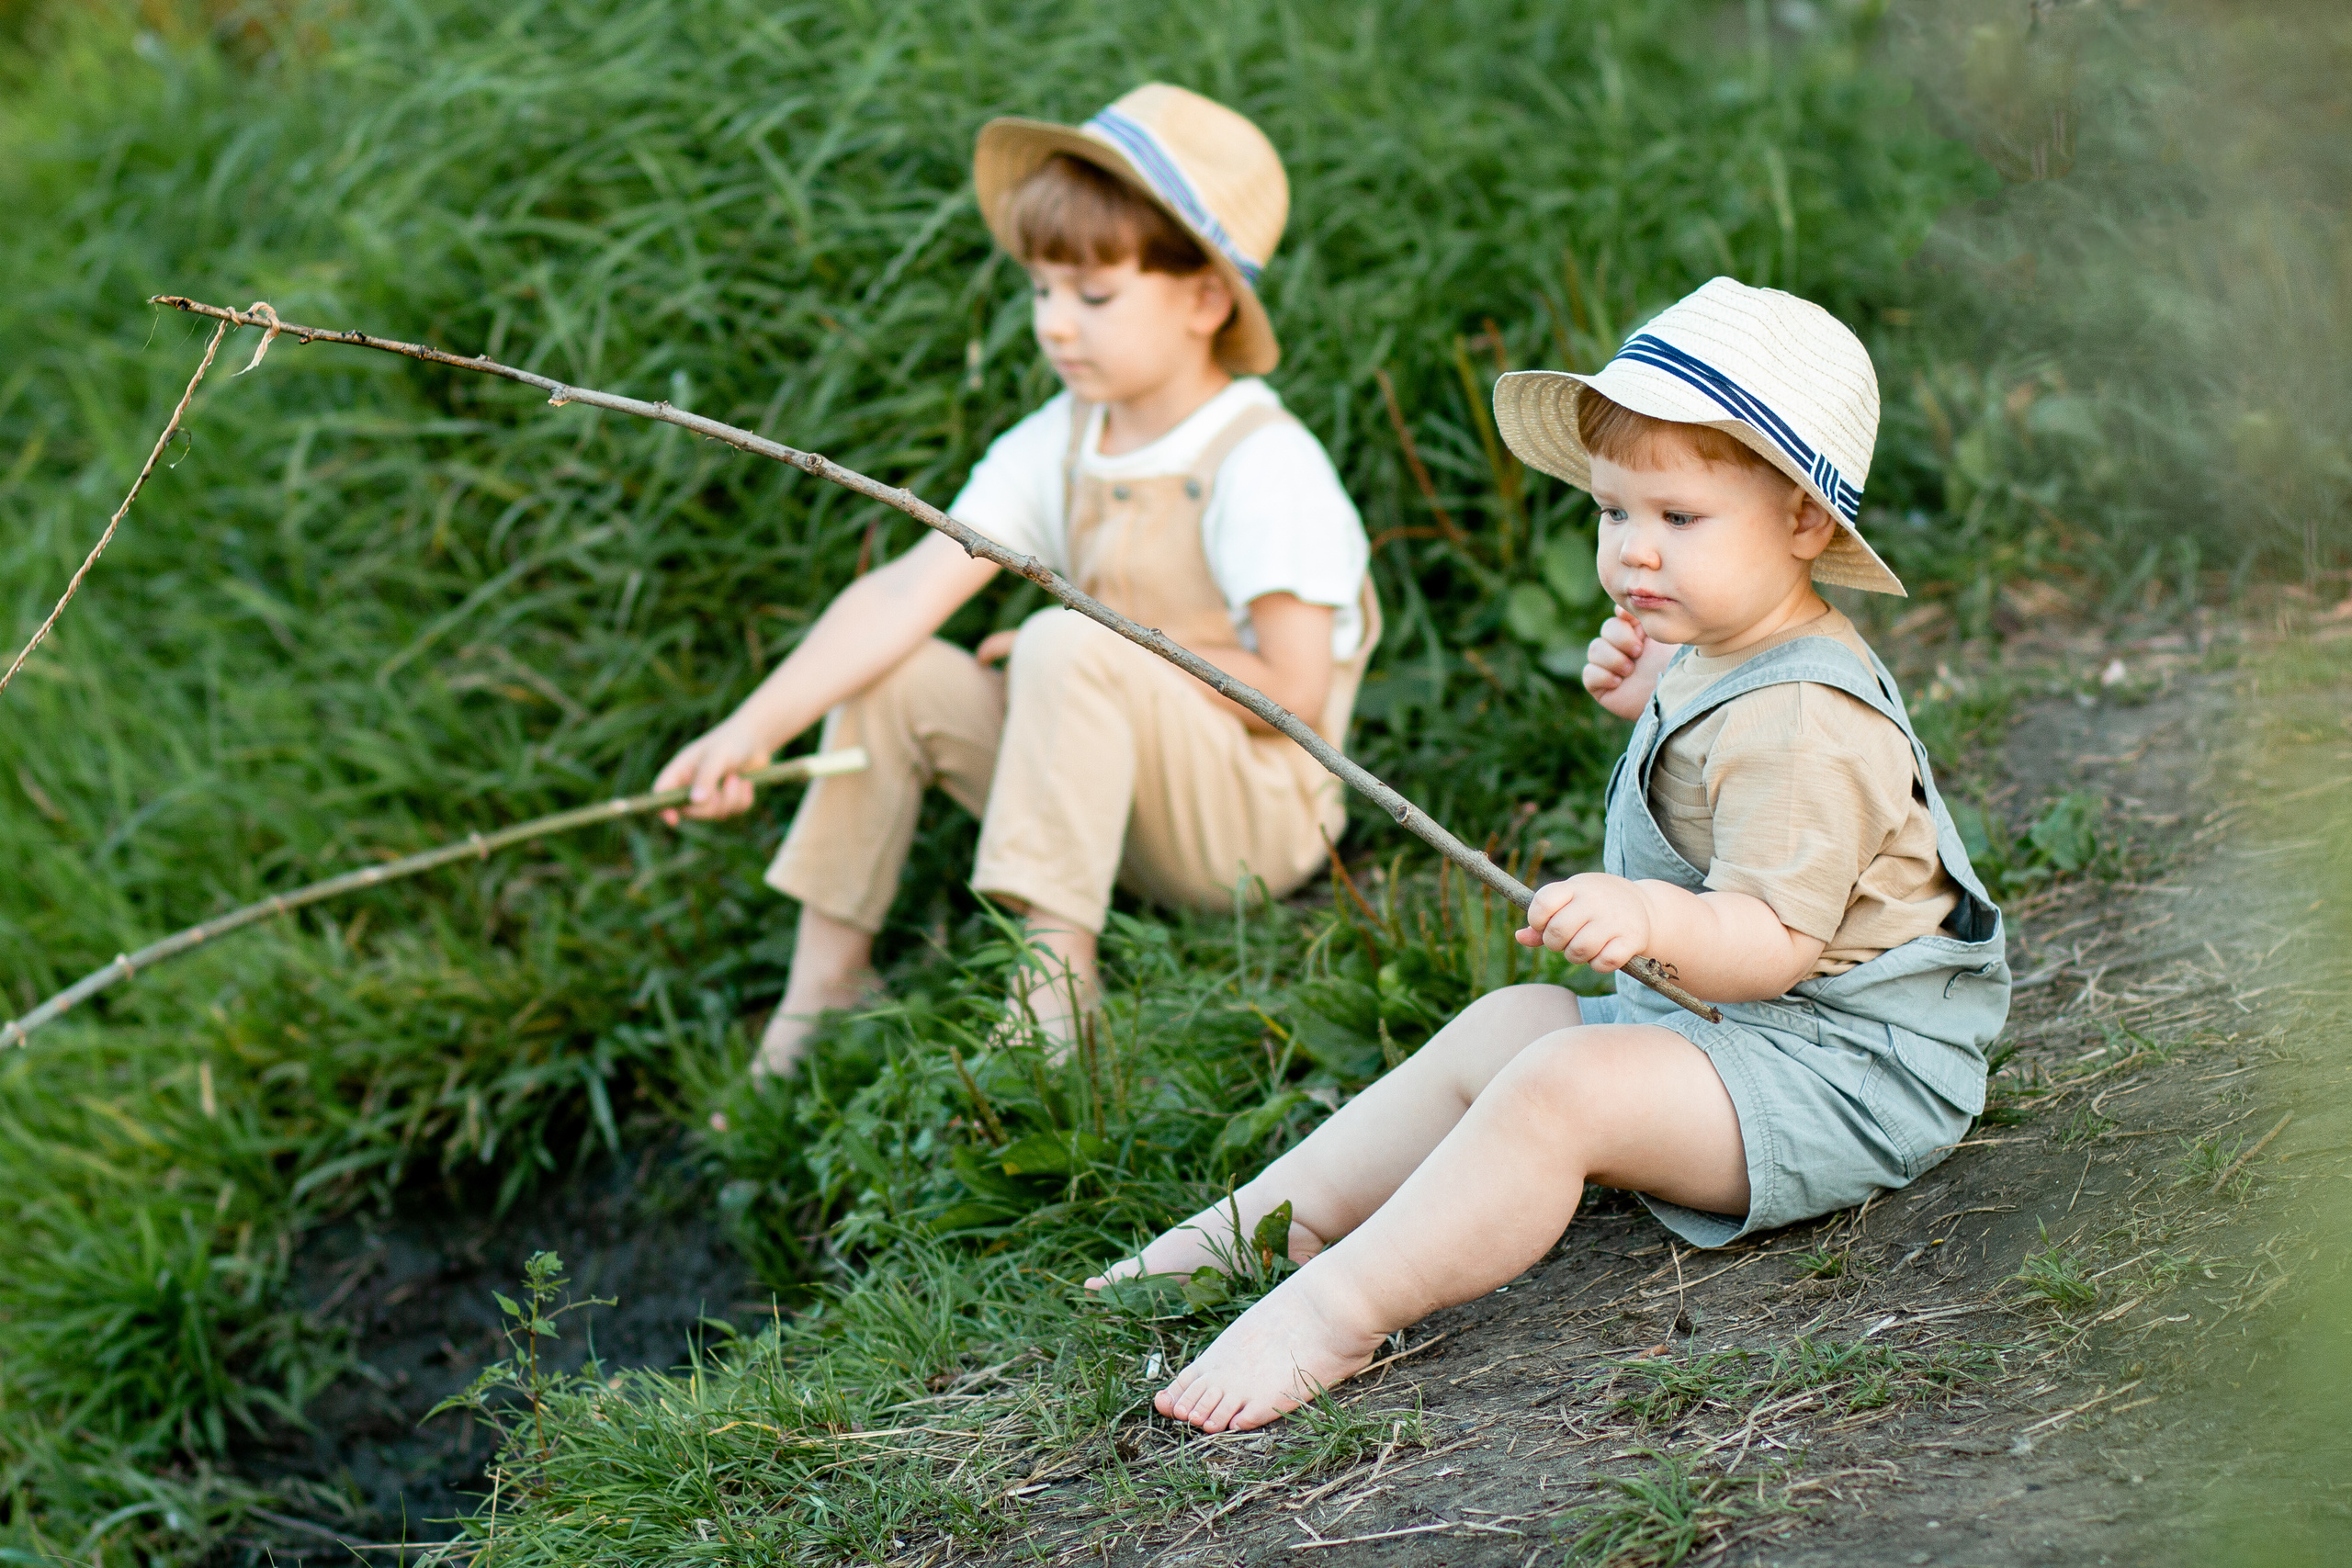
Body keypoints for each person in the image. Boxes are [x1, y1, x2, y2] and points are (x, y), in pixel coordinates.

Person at [1095, 277, 2012, 1433]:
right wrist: (1655, 708)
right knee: (1510, 1022)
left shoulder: (1799, 726)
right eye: (1613, 513)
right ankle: (1265, 1224)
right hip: (1746, 1033)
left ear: (1802, 525)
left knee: (1557, 1090)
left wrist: (1648, 919)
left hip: (1849, 1072)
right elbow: (1724, 790)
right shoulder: (1725, 653)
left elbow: (1773, 942)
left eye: (1678, 520)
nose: (1634, 551)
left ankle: (1331, 1312)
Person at [655, 84, 1376, 1077]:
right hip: (1106, 802)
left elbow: (1290, 694)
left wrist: (1087, 659)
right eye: (1040, 289)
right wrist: (753, 729)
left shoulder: (1261, 459)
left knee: (1068, 636)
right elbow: (909, 591)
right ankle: (824, 981)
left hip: (1243, 823)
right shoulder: (1061, 440)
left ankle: (1052, 991)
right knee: (900, 670)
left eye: (1094, 295)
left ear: (1204, 299)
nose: (1055, 326)